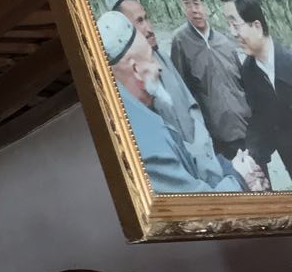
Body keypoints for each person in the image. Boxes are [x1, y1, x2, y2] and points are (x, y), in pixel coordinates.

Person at [98, 11, 263, 193]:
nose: (159, 67)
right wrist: (239, 179)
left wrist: (229, 168)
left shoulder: (137, 114)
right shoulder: (145, 142)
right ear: (136, 69)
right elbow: (194, 203)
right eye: (151, 59)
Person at [104, 0, 225, 186]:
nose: (148, 29)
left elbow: (191, 105)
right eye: (139, 22)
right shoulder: (131, 89)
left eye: (146, 18)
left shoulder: (163, 59)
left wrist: (204, 151)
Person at [168, 0, 249, 159]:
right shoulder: (180, 42)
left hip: (246, 130)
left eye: (196, 3)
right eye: (186, 4)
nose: (194, 10)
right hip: (218, 140)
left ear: (205, 5)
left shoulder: (224, 41)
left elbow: (243, 84)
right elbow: (182, 95)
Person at [220, 0, 292, 179]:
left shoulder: (289, 60)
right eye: (228, 25)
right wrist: (251, 158)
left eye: (235, 24)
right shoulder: (249, 72)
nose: (232, 32)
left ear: (257, 26)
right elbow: (260, 121)